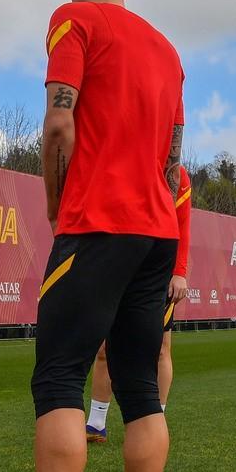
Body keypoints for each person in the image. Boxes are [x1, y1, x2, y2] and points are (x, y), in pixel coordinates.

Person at [0, 0, 184, 472]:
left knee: (60, 376)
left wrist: (54, 201)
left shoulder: (75, 20)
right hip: (157, 232)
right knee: (140, 393)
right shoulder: (167, 51)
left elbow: (59, 122)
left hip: (96, 224)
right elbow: (171, 162)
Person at [86, 166, 191, 442]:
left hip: (157, 273)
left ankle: (157, 420)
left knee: (159, 349)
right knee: (103, 349)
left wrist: (179, 271)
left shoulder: (176, 174)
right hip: (115, 266)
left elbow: (183, 223)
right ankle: (96, 423)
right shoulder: (122, 160)